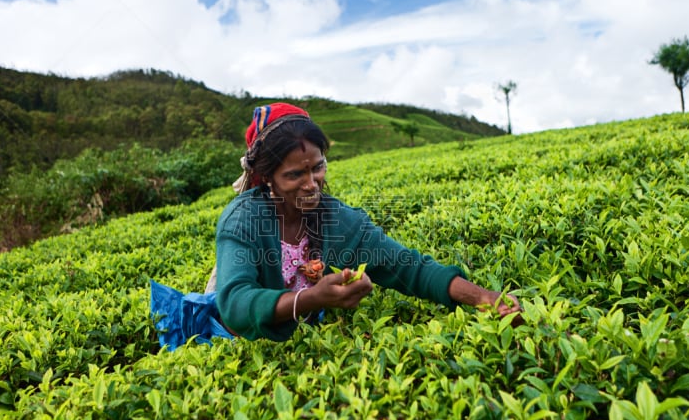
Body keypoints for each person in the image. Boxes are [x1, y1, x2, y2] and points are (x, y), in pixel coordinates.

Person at [198, 102, 522, 342]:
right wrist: (311, 298)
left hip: (304, 341)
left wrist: (483, 298)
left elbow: (409, 267)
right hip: (238, 341)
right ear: (266, 176)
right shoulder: (243, 220)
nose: (311, 183)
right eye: (295, 174)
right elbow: (235, 305)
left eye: (318, 168)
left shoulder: (335, 218)